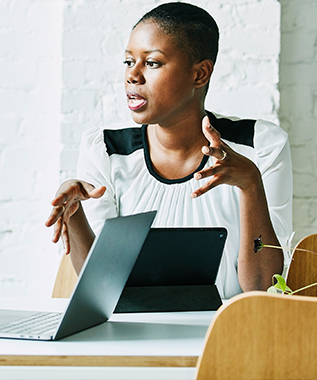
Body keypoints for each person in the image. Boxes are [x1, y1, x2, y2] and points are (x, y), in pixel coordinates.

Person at [45, 2, 292, 298]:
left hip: (228, 334)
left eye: (152, 63)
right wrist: (75, 215)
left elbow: (263, 287)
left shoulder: (259, 146)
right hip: (133, 339)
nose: (132, 76)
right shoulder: (106, 152)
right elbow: (103, 290)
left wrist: (250, 183)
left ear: (200, 74)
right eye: (128, 62)